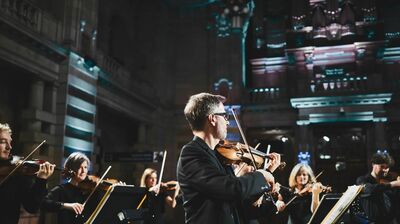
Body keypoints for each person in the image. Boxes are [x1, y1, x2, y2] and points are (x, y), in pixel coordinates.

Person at [177, 93, 281, 224]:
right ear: (212, 119)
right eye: (224, 116)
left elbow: (236, 205)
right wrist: (261, 175)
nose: (227, 121)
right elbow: (229, 189)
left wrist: (262, 193)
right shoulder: (191, 153)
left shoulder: (218, 154)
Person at [0, 122, 55, 224]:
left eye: (10, 142)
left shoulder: (17, 173)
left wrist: (41, 180)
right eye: (3, 142)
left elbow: (32, 206)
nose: (9, 147)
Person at [41, 152, 91, 224]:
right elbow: (43, 203)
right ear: (71, 169)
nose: (83, 171)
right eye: (79, 167)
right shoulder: (62, 189)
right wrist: (65, 205)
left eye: (85, 167)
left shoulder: (89, 190)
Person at [356, 152, 400, 224]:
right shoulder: (362, 179)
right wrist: (393, 184)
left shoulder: (388, 180)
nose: (385, 170)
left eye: (387, 168)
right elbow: (369, 189)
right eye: (382, 167)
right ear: (373, 164)